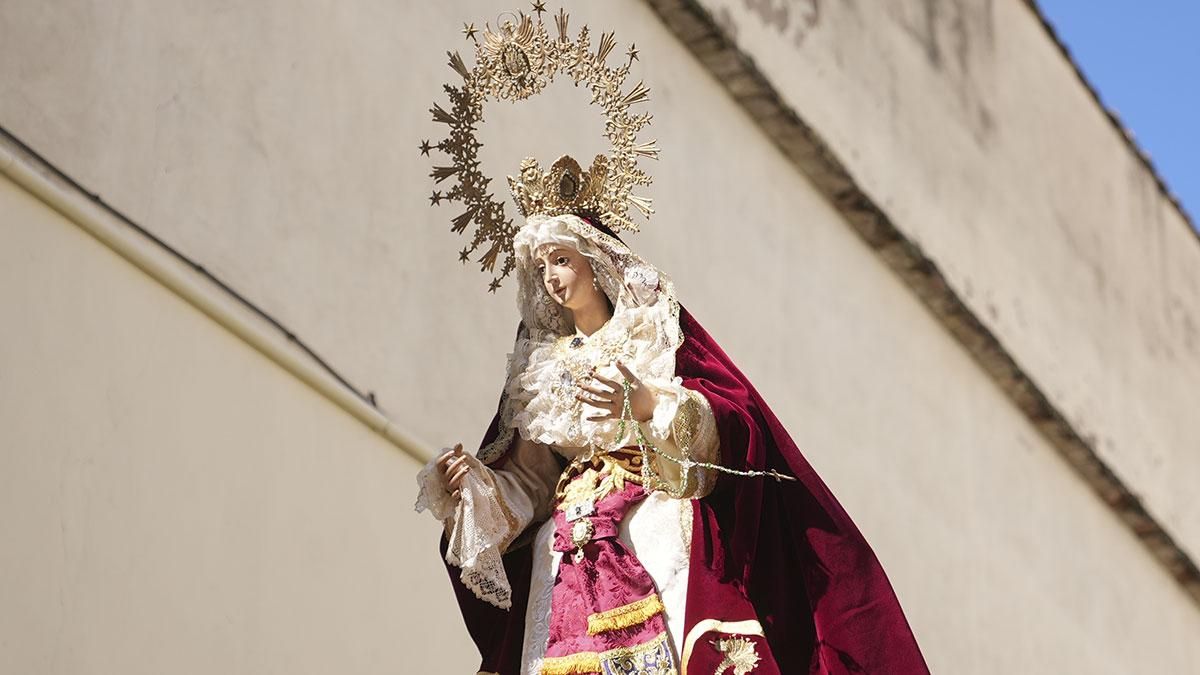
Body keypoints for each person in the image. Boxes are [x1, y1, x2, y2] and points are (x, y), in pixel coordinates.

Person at [416, 209, 930, 674]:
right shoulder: (541, 369)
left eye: (563, 259)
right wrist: (472, 486)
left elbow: (730, 416)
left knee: (661, 542)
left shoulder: (650, 334)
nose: (552, 277)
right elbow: (530, 481)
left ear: (595, 261)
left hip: (647, 503)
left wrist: (646, 405)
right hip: (571, 540)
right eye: (542, 267)